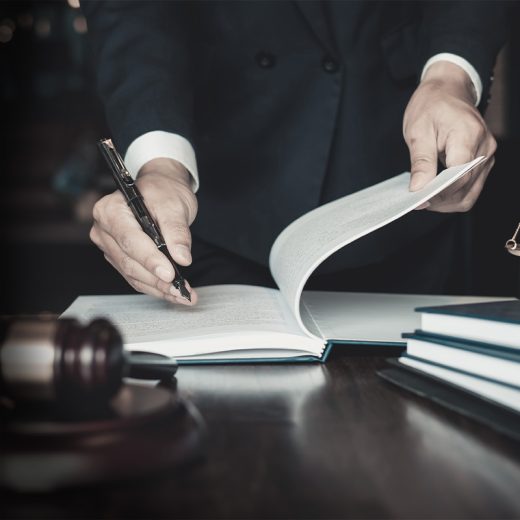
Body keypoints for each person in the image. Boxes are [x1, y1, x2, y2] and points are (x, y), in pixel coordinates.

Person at [81, 1, 507, 306]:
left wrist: (451, 77)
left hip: (407, 191)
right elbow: (133, 13)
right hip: (217, 197)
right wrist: (160, 165)